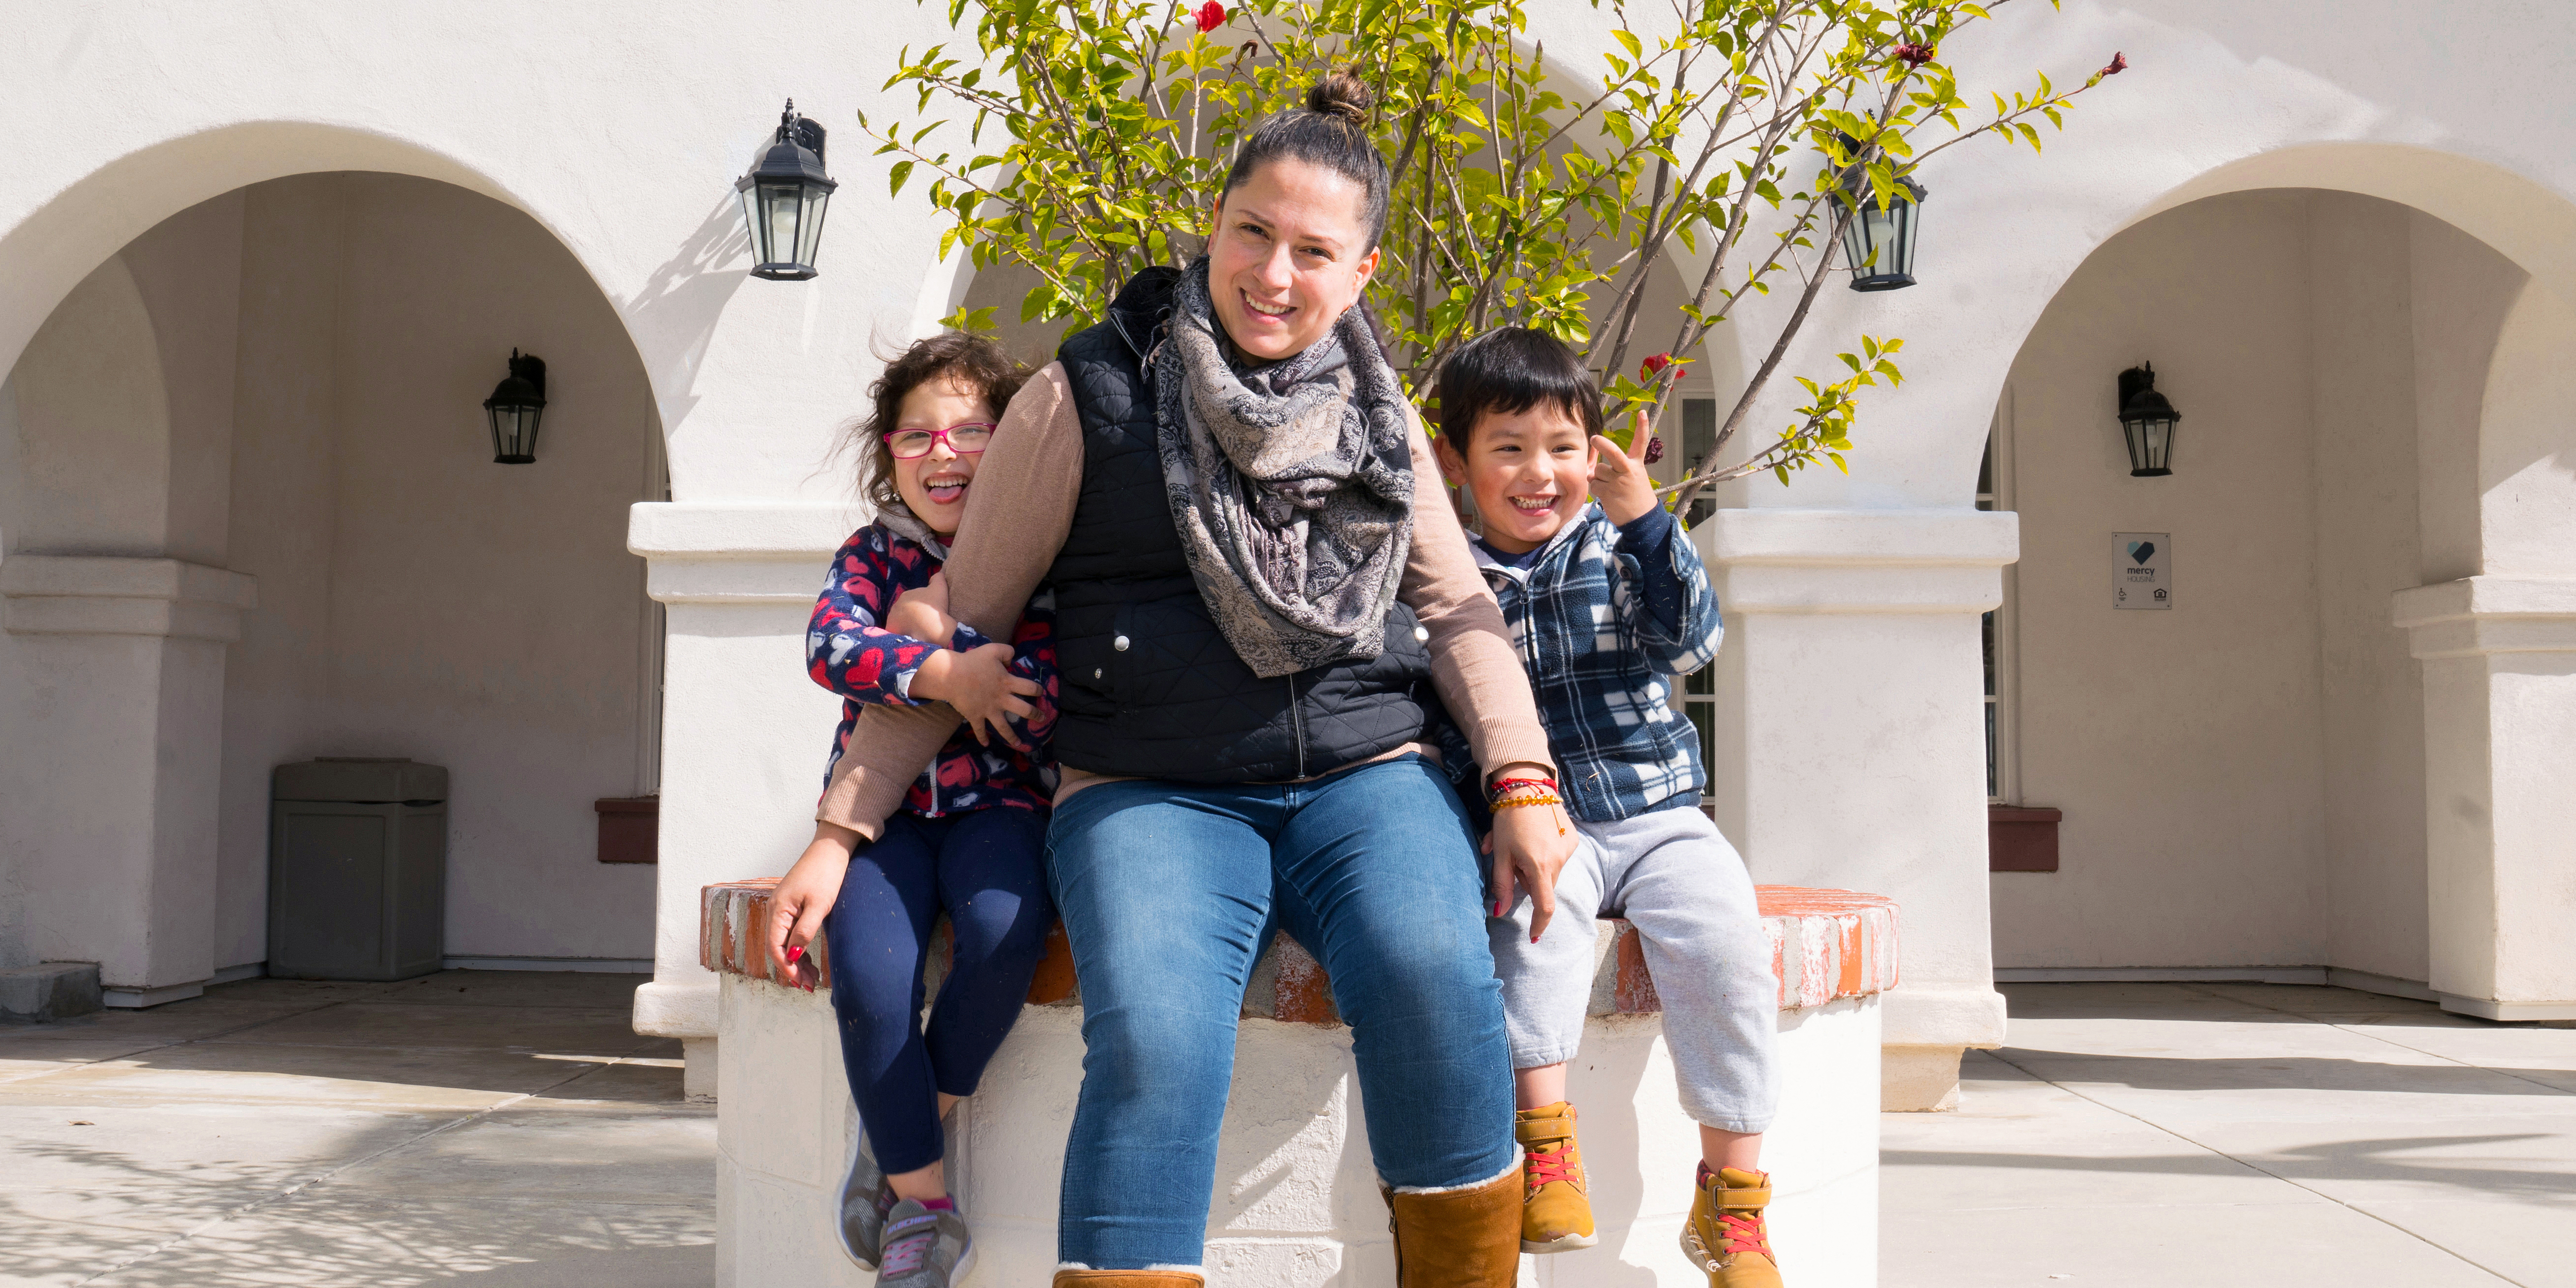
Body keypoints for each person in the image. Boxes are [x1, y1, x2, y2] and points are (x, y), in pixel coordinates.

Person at [769, 73, 1575, 1288]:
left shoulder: (1378, 412)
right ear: (1213, 220)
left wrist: (1522, 777)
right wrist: (841, 827)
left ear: (1359, 271)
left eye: (1315, 250)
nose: (1274, 274)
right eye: (1253, 231)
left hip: (1363, 772)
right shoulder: (1083, 394)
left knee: (1431, 971)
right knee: (1152, 1033)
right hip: (1147, 787)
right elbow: (960, 620)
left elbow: (1455, 605)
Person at [1430, 328, 1785, 1288]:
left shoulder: (1618, 546)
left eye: (1561, 448)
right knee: (1533, 926)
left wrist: (1648, 525)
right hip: (1544, 823)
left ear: (1594, 454)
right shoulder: (1447, 576)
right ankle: (1546, 1148)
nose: (1538, 472)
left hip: (1659, 812)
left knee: (1727, 948)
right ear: (1454, 462)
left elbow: (1689, 643)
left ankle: (1734, 1201)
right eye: (1508, 448)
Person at [775, 332, 1060, 1288]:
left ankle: (896, 1131)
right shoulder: (872, 552)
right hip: (886, 824)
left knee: (1002, 931)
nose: (944, 453)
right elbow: (830, 648)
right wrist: (937, 668)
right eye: (917, 436)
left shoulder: (1045, 560)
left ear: (1012, 443)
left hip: (1000, 809)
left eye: (972, 431)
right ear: (889, 452)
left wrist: (944, 628)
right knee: (867, 970)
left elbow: (1043, 700)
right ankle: (925, 1211)